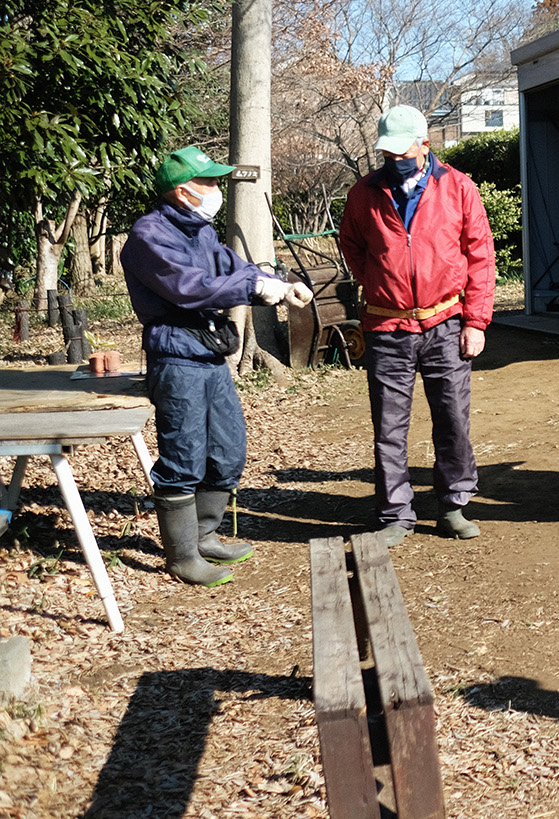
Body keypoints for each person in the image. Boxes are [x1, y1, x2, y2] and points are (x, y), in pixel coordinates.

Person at [122, 145, 310, 586]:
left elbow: (236, 269)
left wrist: (278, 284)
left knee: (226, 450)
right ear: (183, 191)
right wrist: (255, 288)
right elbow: (193, 288)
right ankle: (183, 555)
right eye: (208, 182)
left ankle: (205, 535)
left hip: (209, 352)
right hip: (176, 356)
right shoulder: (149, 236)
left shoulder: (202, 231)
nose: (215, 189)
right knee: (182, 455)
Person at [338, 104, 494, 548]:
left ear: (424, 143)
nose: (393, 159)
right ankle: (395, 513)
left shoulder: (458, 188)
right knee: (388, 425)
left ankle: (453, 504)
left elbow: (480, 257)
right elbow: (352, 245)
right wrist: (378, 282)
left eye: (401, 150)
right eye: (386, 152)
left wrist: (476, 320)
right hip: (387, 327)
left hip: (446, 321)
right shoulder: (363, 193)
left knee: (453, 419)